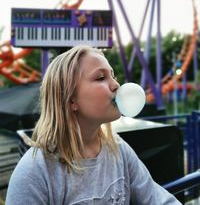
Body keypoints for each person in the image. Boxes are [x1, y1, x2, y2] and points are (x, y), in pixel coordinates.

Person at [6, 45, 182, 205]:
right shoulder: (34, 172)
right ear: (70, 100)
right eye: (100, 78)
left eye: (113, 75)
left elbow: (157, 199)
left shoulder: (118, 149)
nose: (116, 85)